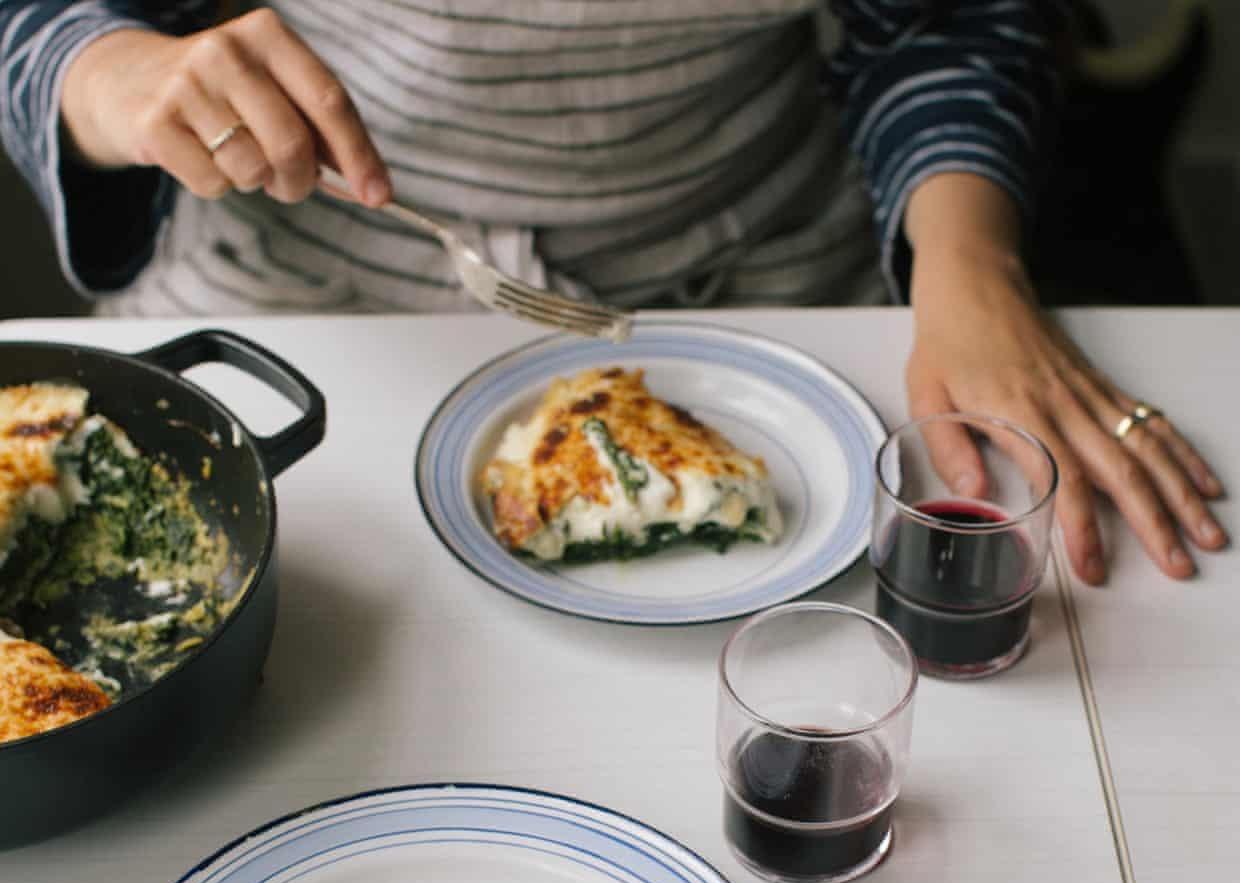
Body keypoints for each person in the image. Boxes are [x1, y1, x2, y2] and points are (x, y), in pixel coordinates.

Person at [0, 0, 1226, 585]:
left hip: (757, 300)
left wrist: (973, 265)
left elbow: (944, 25)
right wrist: (104, 71)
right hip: (296, 315)